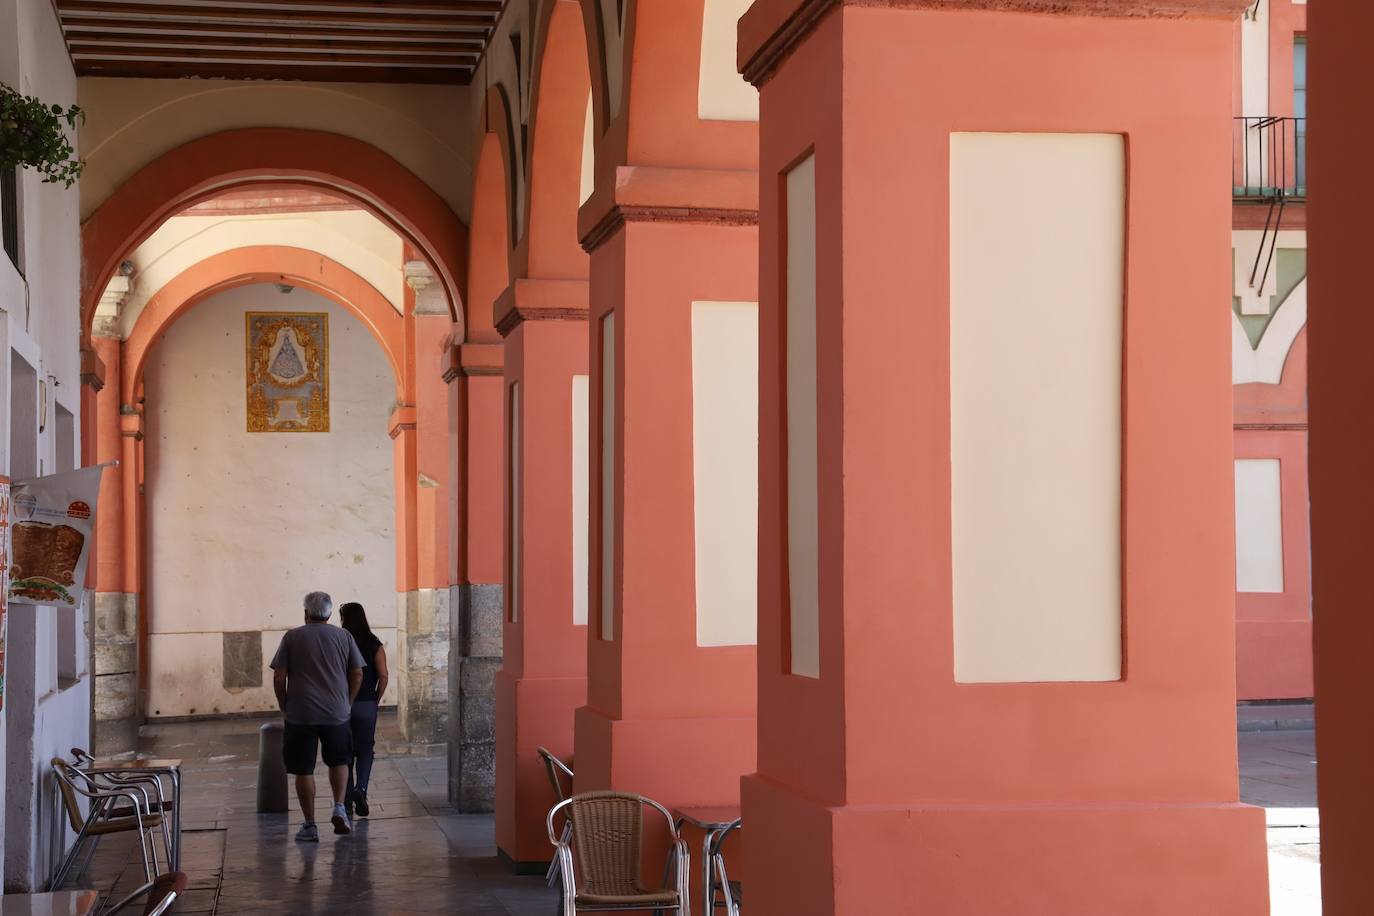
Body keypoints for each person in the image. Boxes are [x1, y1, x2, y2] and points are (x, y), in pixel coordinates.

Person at [270, 591, 365, 841]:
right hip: (336, 712)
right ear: (330, 614)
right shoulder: (343, 636)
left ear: (305, 613)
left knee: (304, 769)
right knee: (340, 761)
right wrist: (348, 701)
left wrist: (283, 704)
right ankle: (339, 808)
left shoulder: (292, 637)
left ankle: (310, 825)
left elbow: (279, 676)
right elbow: (357, 674)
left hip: (300, 714)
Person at [338, 601, 388, 818]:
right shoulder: (374, 643)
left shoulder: (339, 642)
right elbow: (384, 675)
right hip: (367, 704)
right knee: (366, 750)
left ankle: (347, 800)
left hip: (342, 704)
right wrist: (375, 698)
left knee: (345, 752)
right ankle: (362, 790)